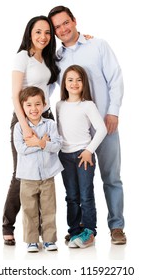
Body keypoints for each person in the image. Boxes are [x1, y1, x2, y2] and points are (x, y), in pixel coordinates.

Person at [48, 5, 127, 244]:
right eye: (57, 27)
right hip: (76, 136)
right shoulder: (57, 58)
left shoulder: (98, 45)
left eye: (65, 22)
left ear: (74, 20)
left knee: (111, 178)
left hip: (105, 125)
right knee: (78, 186)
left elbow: (115, 78)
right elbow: (49, 89)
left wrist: (113, 112)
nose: (63, 29)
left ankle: (117, 227)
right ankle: (82, 229)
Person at [2, 15, 60, 245]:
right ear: (29, 33)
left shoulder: (48, 58)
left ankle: (40, 233)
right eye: (38, 32)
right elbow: (15, 95)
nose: (43, 37)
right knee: (22, 174)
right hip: (24, 118)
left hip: (46, 117)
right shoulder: (22, 57)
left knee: (44, 174)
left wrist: (85, 38)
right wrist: (24, 126)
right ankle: (7, 225)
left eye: (47, 32)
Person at [57, 65, 107, 248]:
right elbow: (59, 131)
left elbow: (101, 129)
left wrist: (89, 150)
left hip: (83, 155)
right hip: (65, 156)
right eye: (70, 79)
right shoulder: (59, 105)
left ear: (84, 82)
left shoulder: (87, 105)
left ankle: (89, 231)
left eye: (78, 79)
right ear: (64, 83)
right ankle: (74, 230)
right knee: (71, 195)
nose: (74, 83)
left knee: (86, 195)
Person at [13, 86, 63, 252]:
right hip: (27, 177)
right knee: (30, 210)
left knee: (49, 209)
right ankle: (31, 240)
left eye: (37, 104)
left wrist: (38, 142)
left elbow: (56, 146)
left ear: (44, 105)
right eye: (29, 105)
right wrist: (41, 143)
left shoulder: (50, 124)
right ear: (22, 107)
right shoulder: (19, 128)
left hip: (47, 176)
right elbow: (22, 149)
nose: (33, 109)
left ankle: (49, 240)